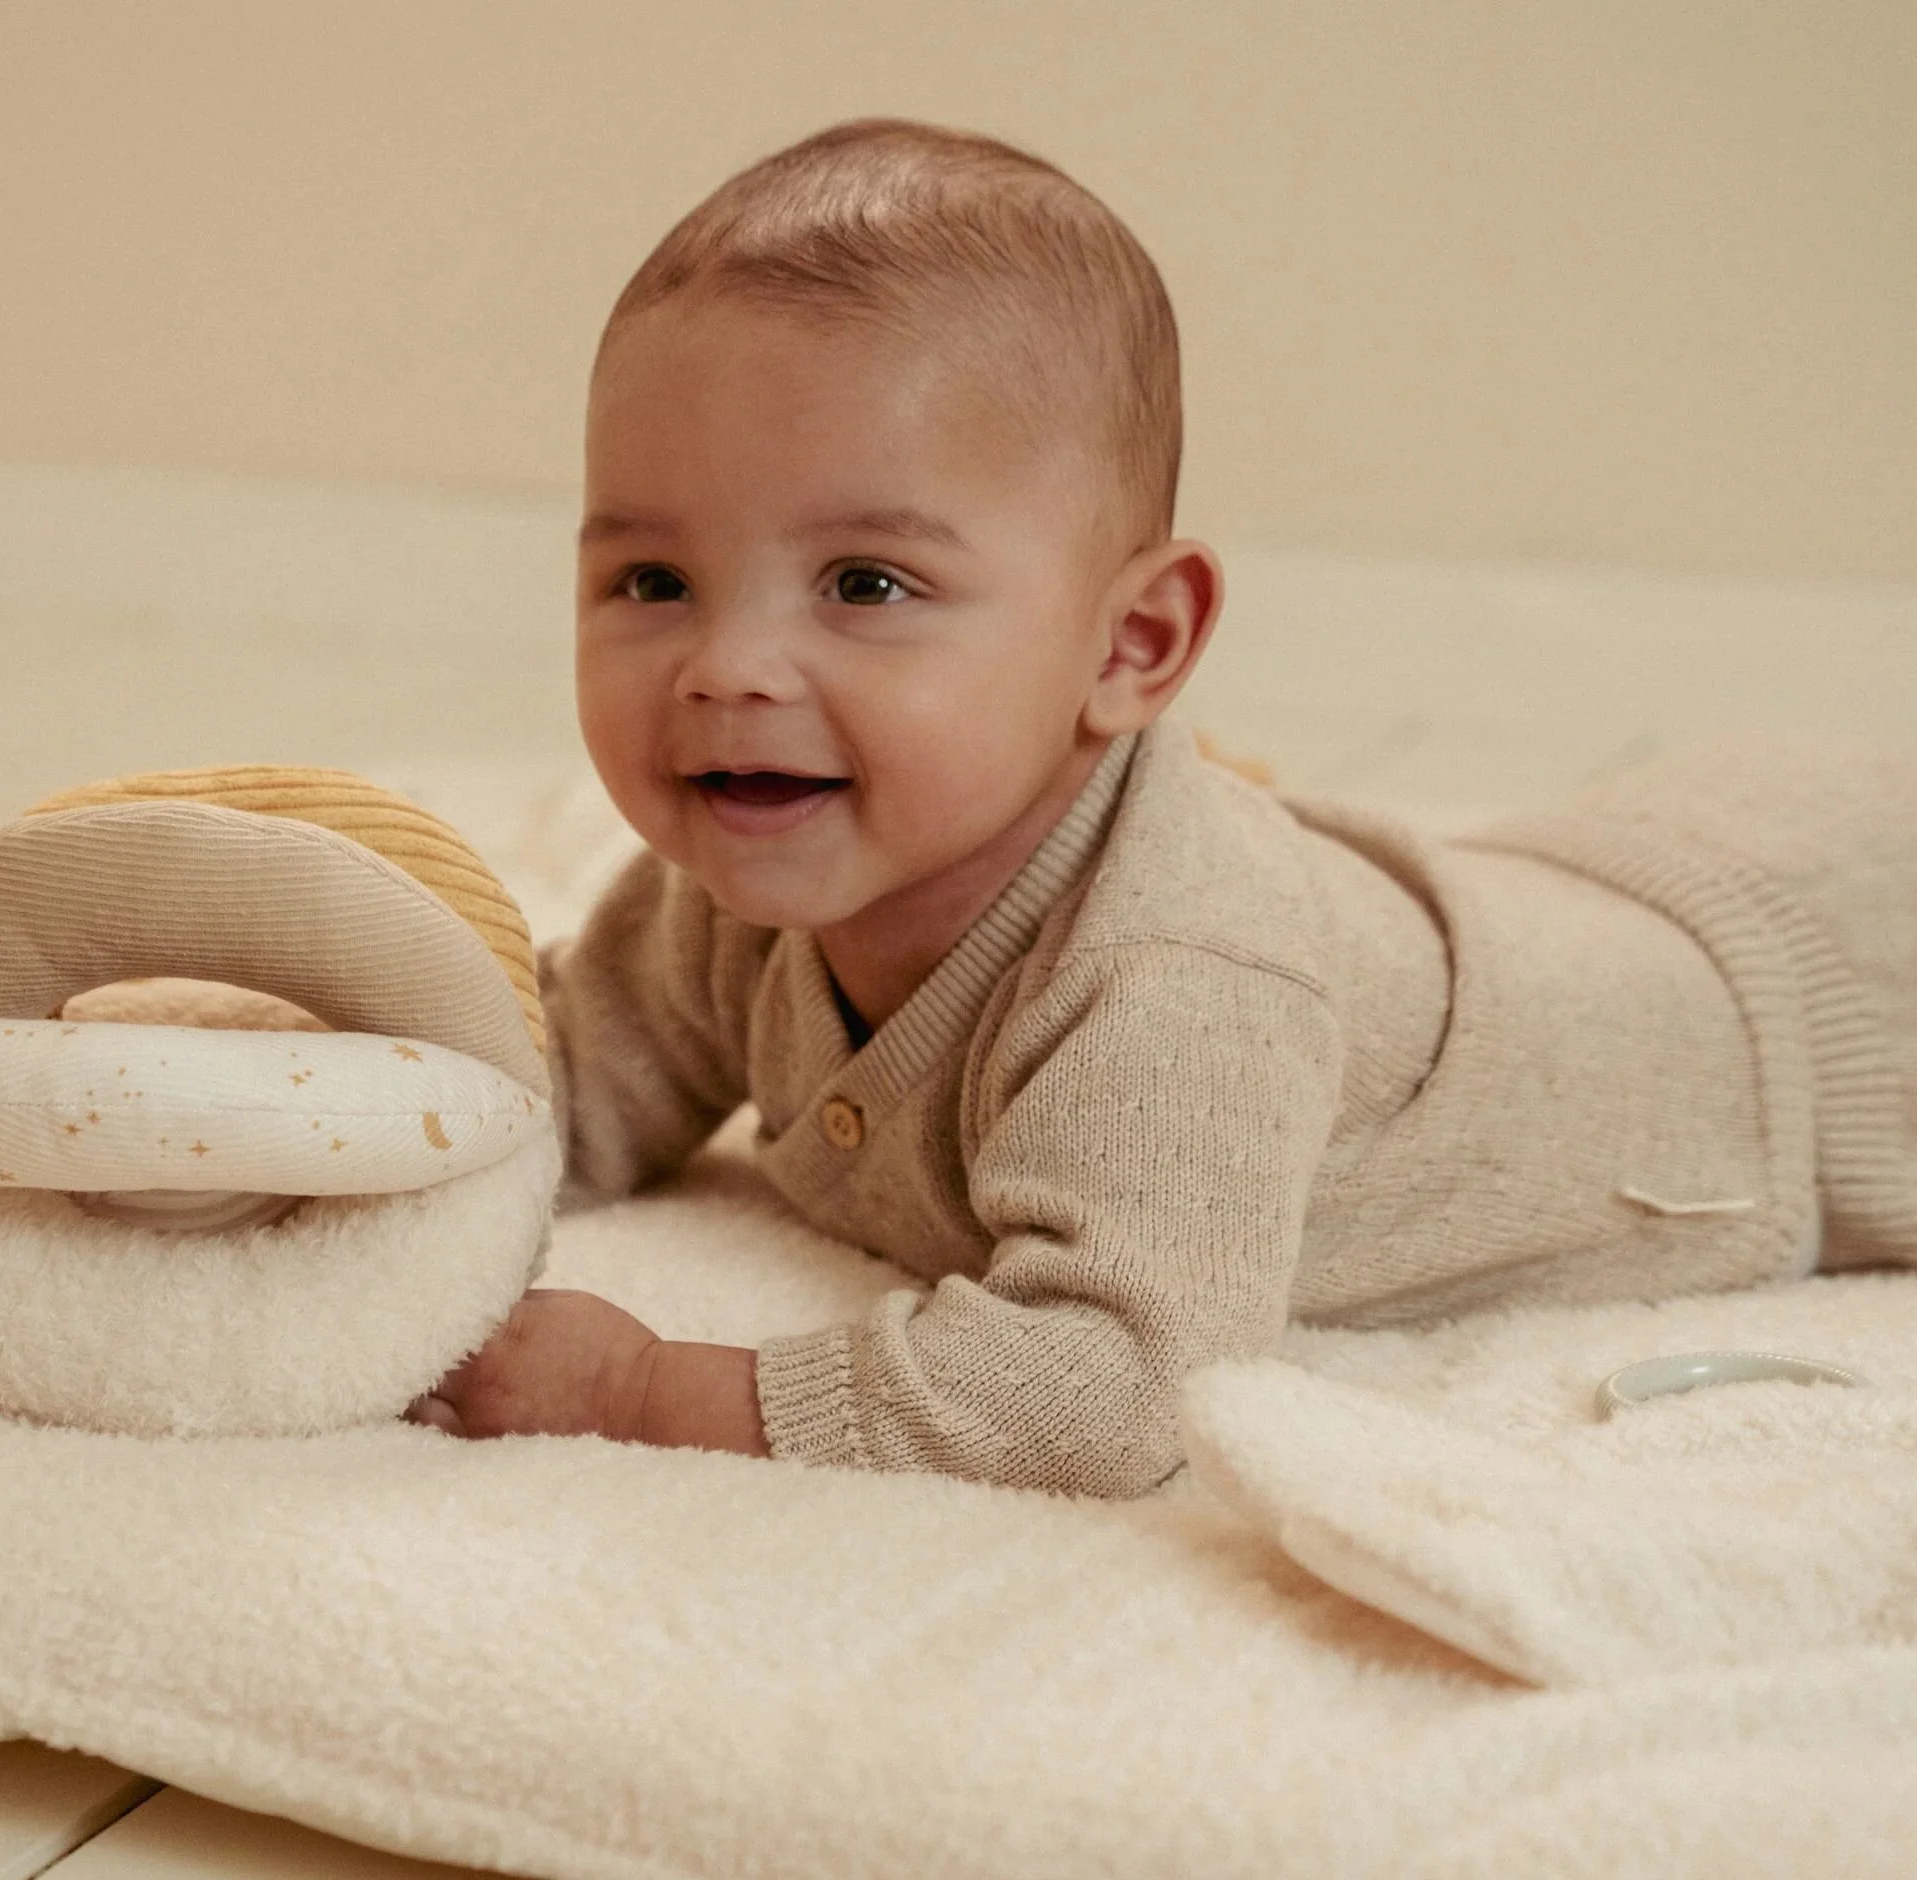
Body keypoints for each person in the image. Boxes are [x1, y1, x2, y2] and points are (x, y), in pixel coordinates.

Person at [407, 118, 1917, 1496]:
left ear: (1130, 645)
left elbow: (1113, 1388)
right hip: (1571, 894)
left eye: (865, 583)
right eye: (652, 580)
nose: (727, 667)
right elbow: (558, 1082)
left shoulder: (1175, 983)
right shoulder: (738, 876)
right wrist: (350, 1122)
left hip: (1808, 1025)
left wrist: (653, 1391)